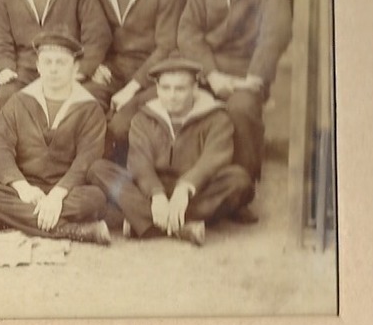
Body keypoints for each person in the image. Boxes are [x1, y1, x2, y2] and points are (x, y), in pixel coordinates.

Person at [89, 56, 256, 244]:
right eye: (165, 88)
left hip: (194, 192)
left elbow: (213, 158)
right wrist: (156, 194)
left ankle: (145, 222)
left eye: (180, 89)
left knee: (239, 180)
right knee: (99, 169)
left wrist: (185, 188)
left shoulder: (216, 117)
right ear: (157, 89)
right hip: (150, 190)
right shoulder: (144, 117)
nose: (172, 95)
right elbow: (140, 162)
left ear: (194, 89)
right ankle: (182, 227)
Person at [176, 0, 291, 183]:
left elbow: (275, 33)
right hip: (207, 65)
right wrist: (211, 74)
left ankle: (243, 184)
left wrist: (255, 77)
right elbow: (187, 30)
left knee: (240, 108)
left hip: (247, 69)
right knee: (176, 99)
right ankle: (191, 181)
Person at [0, 32, 111, 243]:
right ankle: (73, 231)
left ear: (75, 68)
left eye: (61, 63)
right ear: (38, 66)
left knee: (96, 199)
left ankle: (1, 220)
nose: (53, 69)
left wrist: (57, 196)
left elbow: (88, 159)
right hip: (27, 189)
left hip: (67, 190)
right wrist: (22, 187)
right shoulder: (19, 101)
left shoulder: (89, 108)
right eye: (47, 62)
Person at [88, 0, 183, 151]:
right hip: (114, 69)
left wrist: (131, 89)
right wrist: (97, 63)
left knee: (120, 127)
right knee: (82, 106)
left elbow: (165, 48)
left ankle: (125, 177)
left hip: (150, 75)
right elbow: (97, 31)